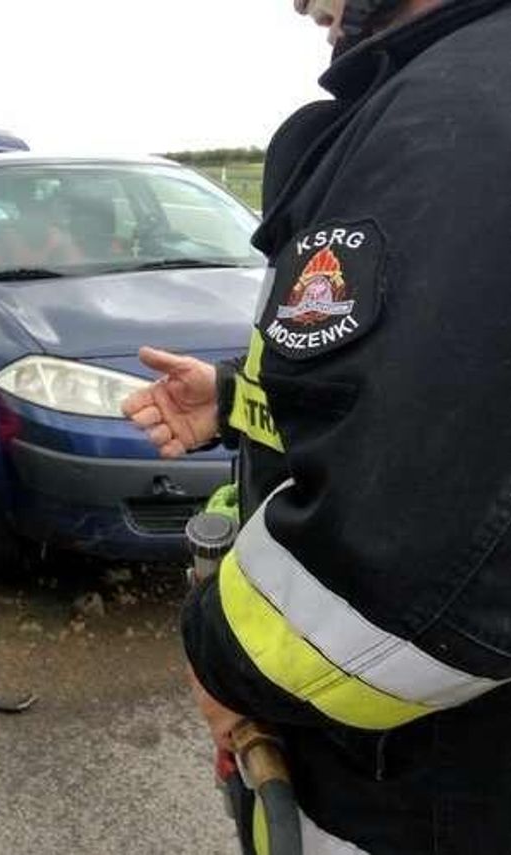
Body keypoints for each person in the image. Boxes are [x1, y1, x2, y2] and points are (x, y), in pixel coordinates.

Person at [124, 1, 511, 851]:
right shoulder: (440, 90)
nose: (299, 3)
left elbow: (420, 564)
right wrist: (232, 399)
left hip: (420, 796)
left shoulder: (465, 118)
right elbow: (426, 391)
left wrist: (224, 662)